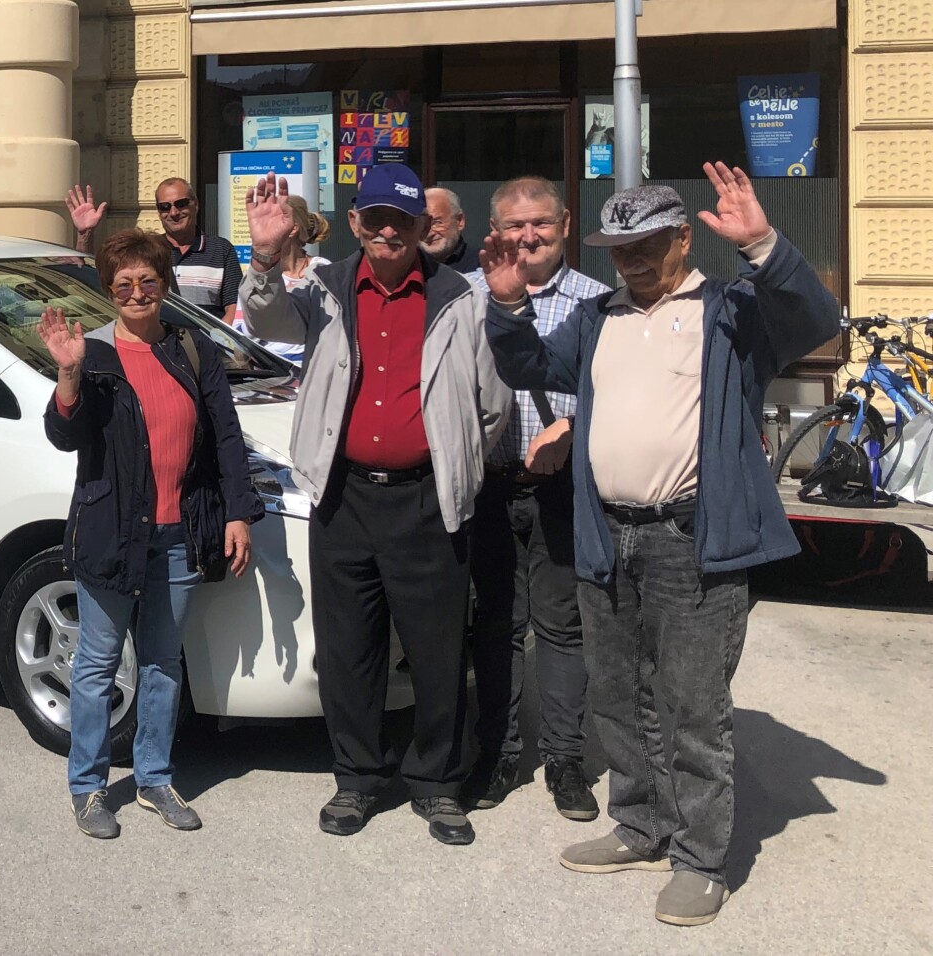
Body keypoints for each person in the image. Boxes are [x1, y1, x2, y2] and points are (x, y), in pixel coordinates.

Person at [480, 165, 836, 927]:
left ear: (682, 239)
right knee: (616, 694)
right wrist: (508, 306)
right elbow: (530, 366)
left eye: (647, 244)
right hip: (605, 533)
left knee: (693, 707)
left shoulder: (731, 308)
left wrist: (763, 246)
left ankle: (701, 859)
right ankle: (641, 825)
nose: (633, 259)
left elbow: (815, 318)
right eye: (619, 248)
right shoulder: (598, 316)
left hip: (690, 536)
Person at [242, 164, 509, 847]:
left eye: (402, 221)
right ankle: (357, 777)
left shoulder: (459, 296)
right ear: (357, 222)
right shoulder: (325, 287)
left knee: (437, 651)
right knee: (349, 649)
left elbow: (490, 405)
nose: (389, 231)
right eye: (377, 219)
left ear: (421, 227)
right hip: (345, 497)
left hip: (426, 500)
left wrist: (450, 459)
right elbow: (267, 319)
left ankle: (437, 784)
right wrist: (265, 255)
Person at [39, 229, 261, 840]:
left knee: (163, 661)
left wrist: (238, 513)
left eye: (148, 282)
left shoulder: (192, 348)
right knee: (97, 663)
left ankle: (154, 778)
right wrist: (68, 375)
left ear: (166, 284)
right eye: (123, 285)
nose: (137, 293)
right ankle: (87, 787)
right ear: (108, 291)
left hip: (180, 533)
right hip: (112, 531)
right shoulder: (94, 353)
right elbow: (64, 435)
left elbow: (225, 436)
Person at [462, 177, 608, 820]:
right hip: (488, 487)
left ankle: (565, 760)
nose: (528, 236)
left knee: (561, 628)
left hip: (563, 488)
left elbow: (620, 396)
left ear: (565, 224)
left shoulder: (599, 303)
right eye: (514, 225)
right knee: (494, 625)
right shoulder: (465, 296)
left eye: (540, 223)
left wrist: (572, 428)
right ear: (493, 231)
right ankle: (496, 751)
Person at [66, 177, 241, 321]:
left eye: (181, 203)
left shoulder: (221, 250)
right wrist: (85, 234)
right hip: (157, 345)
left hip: (207, 349)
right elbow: (91, 274)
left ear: (195, 204)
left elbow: (235, 307)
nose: (174, 212)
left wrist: (215, 344)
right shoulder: (148, 249)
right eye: (165, 207)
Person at [254, 194, 331, 363]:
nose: (261, 229)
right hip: (268, 369)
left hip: (314, 366)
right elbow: (242, 332)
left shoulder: (323, 270)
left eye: (269, 222)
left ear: (293, 228)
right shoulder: (259, 275)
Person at [424, 187, 480, 274]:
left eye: (437, 223)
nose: (429, 234)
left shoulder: (483, 265)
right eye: (423, 225)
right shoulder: (407, 265)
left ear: (459, 221)